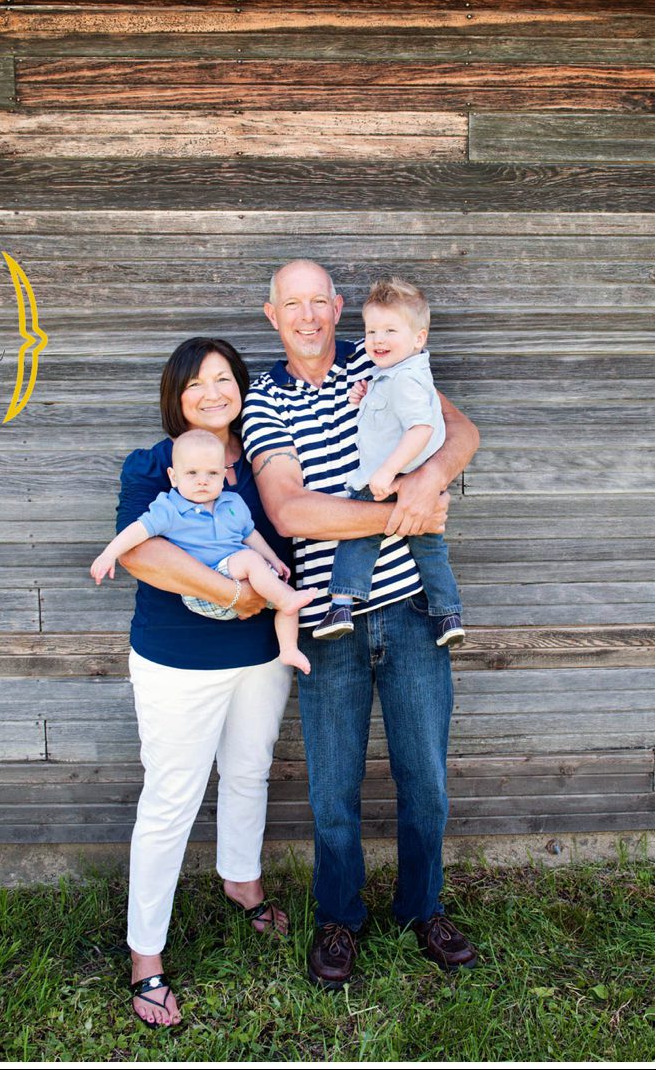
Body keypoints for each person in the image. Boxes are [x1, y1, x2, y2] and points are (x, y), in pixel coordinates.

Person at [240, 260, 482, 990]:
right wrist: (404, 514)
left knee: (426, 781)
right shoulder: (264, 398)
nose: (308, 316)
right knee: (333, 791)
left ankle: (423, 908)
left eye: (319, 301)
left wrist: (427, 480)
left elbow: (459, 431)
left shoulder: (380, 356)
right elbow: (291, 511)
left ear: (339, 306)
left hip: (412, 610)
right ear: (272, 314)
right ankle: (339, 917)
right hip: (327, 618)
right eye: (292, 304)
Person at [110, 340, 300, 1029]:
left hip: (261, 654)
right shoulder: (152, 464)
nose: (213, 392)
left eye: (224, 378)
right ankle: (146, 956)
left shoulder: (268, 460)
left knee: (249, 770)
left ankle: (241, 880)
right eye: (197, 383)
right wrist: (232, 591)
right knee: (171, 797)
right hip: (177, 658)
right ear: (176, 396)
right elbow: (142, 552)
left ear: (242, 387)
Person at [317, 277, 464, 648]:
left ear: (418, 338)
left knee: (358, 537)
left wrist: (385, 472)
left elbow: (420, 428)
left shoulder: (404, 380)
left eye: (390, 331)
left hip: (394, 477)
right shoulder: (395, 374)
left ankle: (340, 606)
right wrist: (365, 396)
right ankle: (448, 614)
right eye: (371, 331)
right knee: (429, 549)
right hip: (411, 480)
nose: (377, 339)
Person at [94, 427, 314, 672]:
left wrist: (274, 560)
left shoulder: (232, 502)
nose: (202, 480)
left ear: (223, 476)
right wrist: (108, 554)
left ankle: (288, 649)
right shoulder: (169, 508)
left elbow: (250, 535)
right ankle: (286, 599)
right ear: (173, 476)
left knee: (285, 597)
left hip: (240, 578)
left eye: (212, 473)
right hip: (204, 590)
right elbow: (137, 530)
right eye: (192, 473)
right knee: (254, 563)